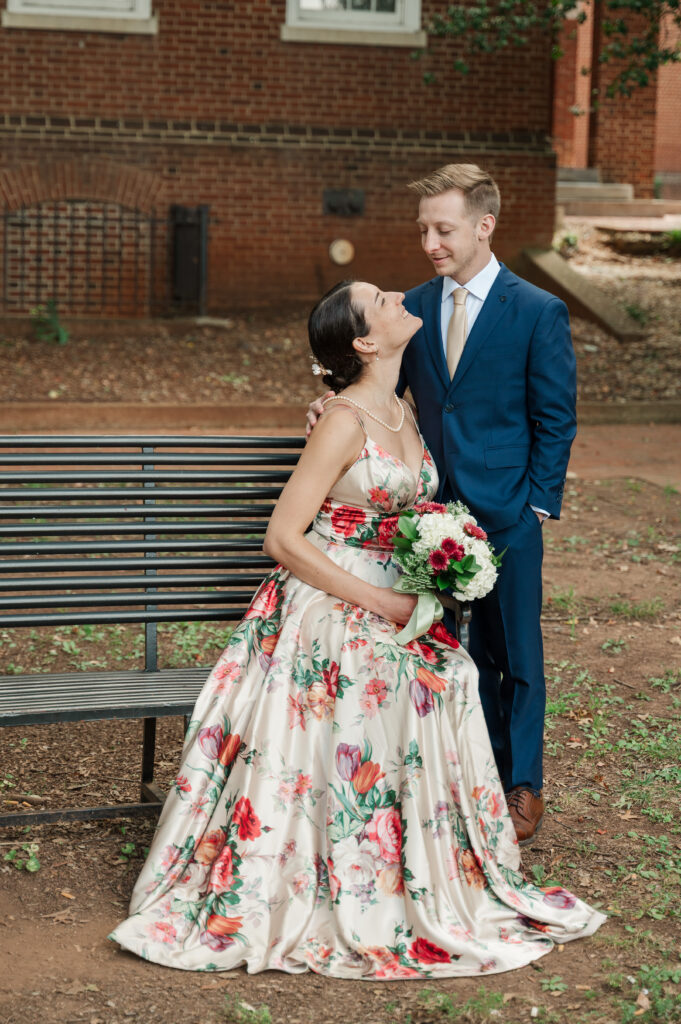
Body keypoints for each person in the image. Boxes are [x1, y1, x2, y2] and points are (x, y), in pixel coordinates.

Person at [110, 281, 603, 978]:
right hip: (327, 597)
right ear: (365, 341)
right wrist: (380, 604)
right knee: (402, 677)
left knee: (450, 672)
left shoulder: (402, 404)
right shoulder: (342, 419)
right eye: (379, 297)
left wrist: (440, 560)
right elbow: (282, 537)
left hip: (393, 593)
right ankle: (352, 874)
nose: (399, 291)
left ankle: (423, 868)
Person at [308, 164, 576, 847]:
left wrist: (536, 505)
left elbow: (554, 416)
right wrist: (327, 404)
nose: (430, 241)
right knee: (447, 649)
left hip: (508, 513)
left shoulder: (535, 310)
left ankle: (521, 786)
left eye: (444, 228)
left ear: (483, 226)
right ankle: (464, 773)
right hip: (426, 517)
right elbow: (381, 388)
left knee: (515, 654)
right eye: (423, 229)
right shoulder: (414, 312)